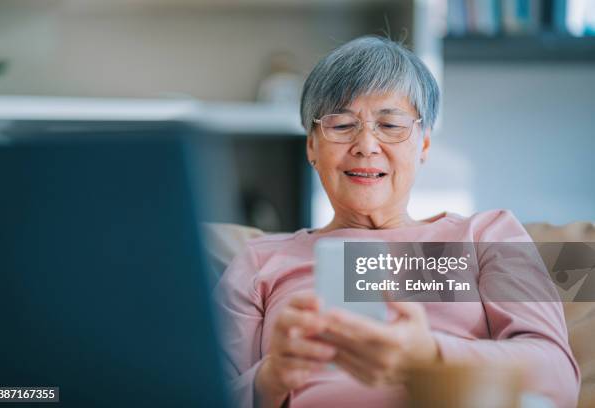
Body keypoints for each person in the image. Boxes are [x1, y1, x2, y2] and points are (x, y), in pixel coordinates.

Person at [213, 36, 579, 408]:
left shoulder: (487, 235)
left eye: (390, 125)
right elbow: (196, 393)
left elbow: (558, 378)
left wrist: (430, 355)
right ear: (311, 146)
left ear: (423, 145)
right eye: (341, 125)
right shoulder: (258, 261)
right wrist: (271, 378)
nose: (366, 145)